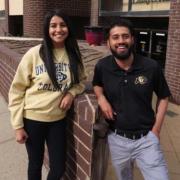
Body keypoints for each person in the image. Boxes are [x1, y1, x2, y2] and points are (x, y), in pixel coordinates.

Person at [8, 9, 86, 180]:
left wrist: (71, 93)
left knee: (58, 168)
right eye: (53, 26)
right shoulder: (34, 53)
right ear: (47, 29)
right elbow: (17, 90)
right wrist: (18, 125)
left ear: (68, 28)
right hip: (32, 119)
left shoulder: (73, 54)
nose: (58, 29)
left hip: (57, 121)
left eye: (62, 25)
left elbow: (81, 81)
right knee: (35, 165)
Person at [92, 19, 171, 180]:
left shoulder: (151, 66)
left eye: (125, 36)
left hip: (146, 139)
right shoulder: (102, 66)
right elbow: (97, 84)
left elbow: (164, 96)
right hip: (117, 139)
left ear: (132, 39)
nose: (121, 41)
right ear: (108, 42)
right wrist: (101, 98)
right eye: (115, 37)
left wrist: (156, 130)